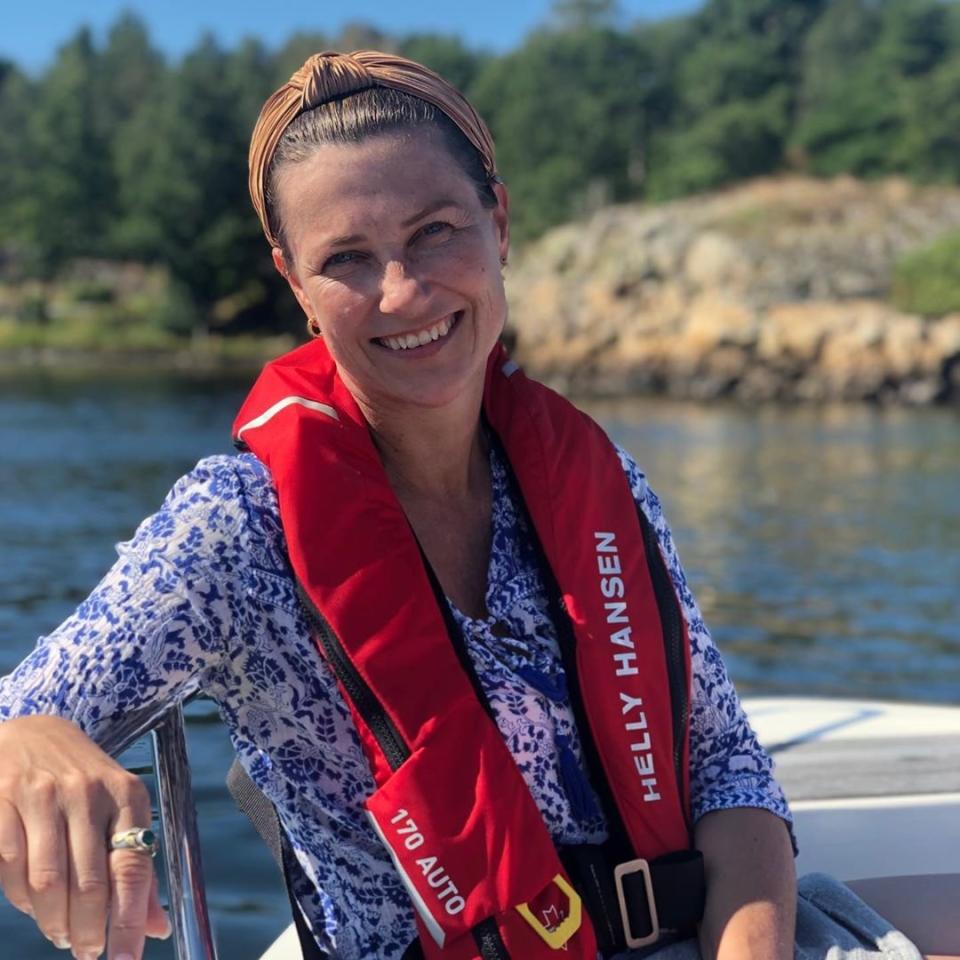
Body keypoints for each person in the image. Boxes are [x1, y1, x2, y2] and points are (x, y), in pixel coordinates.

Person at [0, 50, 953, 960]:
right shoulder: (237, 532)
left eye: (435, 232)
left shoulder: (597, 480)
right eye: (349, 259)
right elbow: (14, 725)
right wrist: (26, 737)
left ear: (498, 224)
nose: (405, 291)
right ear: (295, 283)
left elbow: (726, 771)